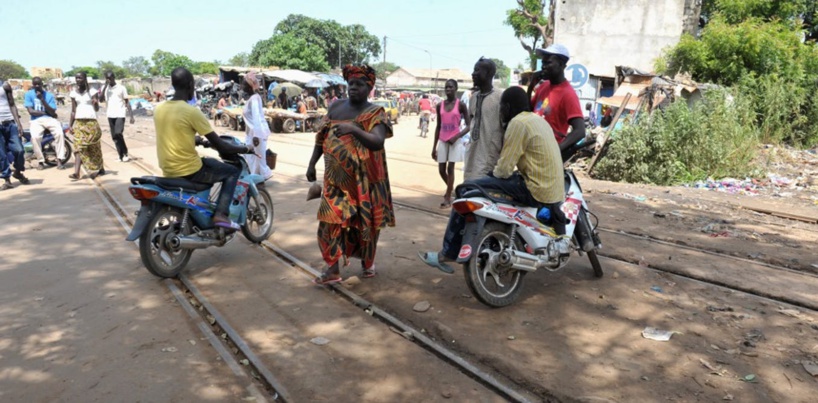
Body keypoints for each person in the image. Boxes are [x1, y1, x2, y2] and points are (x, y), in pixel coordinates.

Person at [419, 86, 570, 273]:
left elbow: (504, 169)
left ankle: (448, 253)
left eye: (501, 109)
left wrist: (490, 177)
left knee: (465, 190)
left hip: (533, 190)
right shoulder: (538, 121)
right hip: (553, 191)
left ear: (507, 108)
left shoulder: (518, 123)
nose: (500, 113)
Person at [305, 64, 394, 285]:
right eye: (351, 83)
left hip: (364, 182)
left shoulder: (376, 113)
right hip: (335, 181)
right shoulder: (336, 107)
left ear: (370, 88)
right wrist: (312, 163)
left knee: (366, 223)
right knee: (329, 222)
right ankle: (332, 269)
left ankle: (367, 262)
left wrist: (354, 129)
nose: (353, 87)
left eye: (359, 84)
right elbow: (321, 138)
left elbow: (377, 141)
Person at [155, 67, 252, 230]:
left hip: (167, 168)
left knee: (210, 163)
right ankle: (221, 214)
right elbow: (221, 145)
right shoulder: (191, 112)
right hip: (189, 170)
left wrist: (197, 141)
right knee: (231, 171)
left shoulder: (159, 109)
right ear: (190, 85)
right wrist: (244, 149)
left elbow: (176, 133)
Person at [527, 43, 585, 152]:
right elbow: (527, 113)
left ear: (561, 65)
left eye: (548, 62)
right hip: (532, 149)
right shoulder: (543, 86)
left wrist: (556, 151)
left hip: (546, 154)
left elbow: (580, 131)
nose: (543, 66)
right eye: (543, 62)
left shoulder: (568, 94)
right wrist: (530, 88)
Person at [463, 57, 504, 181]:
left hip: (490, 157)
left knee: (482, 187)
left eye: (477, 70)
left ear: (489, 73)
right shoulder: (473, 97)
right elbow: (472, 120)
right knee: (468, 185)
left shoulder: (500, 97)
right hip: (472, 155)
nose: (473, 74)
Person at [432, 79, 470, 208]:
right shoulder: (440, 106)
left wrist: (457, 136)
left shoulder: (461, 105)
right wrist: (434, 147)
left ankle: (448, 197)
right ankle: (451, 188)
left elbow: (469, 125)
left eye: (451, 87)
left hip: (455, 141)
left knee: (450, 168)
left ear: (456, 88)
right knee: (441, 170)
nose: (448, 89)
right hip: (443, 140)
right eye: (446, 87)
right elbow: (438, 126)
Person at [68, 72, 105, 180]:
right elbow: (73, 110)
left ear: (85, 79)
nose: (78, 80)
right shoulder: (73, 93)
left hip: (91, 122)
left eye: (80, 78)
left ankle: (99, 167)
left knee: (94, 147)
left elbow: (97, 109)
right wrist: (70, 125)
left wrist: (95, 103)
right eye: (76, 78)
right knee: (79, 146)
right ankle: (77, 172)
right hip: (79, 122)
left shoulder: (92, 91)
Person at [25, 77, 66, 170]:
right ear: (32, 85)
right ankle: (40, 161)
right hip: (36, 120)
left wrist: (42, 99)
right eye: (35, 84)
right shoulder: (28, 94)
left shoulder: (49, 95)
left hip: (49, 119)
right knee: (35, 137)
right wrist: (46, 112)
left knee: (59, 134)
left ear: (42, 84)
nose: (37, 86)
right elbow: (31, 111)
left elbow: (52, 111)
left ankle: (60, 159)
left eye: (38, 84)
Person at [241, 72, 272, 180]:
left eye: (244, 84)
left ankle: (259, 179)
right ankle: (256, 178)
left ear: (249, 86)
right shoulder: (251, 98)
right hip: (251, 133)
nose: (242, 86)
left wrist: (256, 136)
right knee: (251, 157)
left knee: (258, 158)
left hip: (257, 133)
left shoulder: (254, 98)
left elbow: (256, 117)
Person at [99, 71, 134, 162]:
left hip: (120, 114)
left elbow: (127, 102)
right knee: (114, 136)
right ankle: (120, 155)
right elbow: (101, 100)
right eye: (107, 78)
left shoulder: (121, 88)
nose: (109, 80)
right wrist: (105, 87)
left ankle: (125, 152)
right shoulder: (104, 88)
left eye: (110, 78)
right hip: (110, 114)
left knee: (118, 133)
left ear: (114, 77)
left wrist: (131, 116)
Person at [0, 80, 29, 188]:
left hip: (10, 123)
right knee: (1, 154)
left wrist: (19, 124)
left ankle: (17, 172)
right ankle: (7, 179)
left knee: (19, 150)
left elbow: (12, 104)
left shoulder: (5, 85)